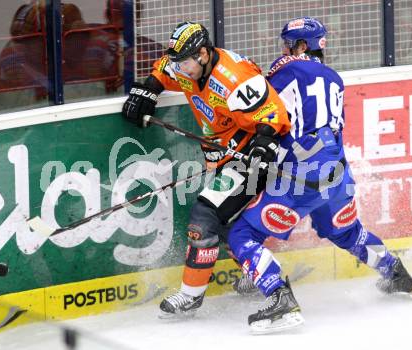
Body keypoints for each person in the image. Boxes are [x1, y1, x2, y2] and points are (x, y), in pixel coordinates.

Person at [227, 16, 412, 334]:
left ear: (301, 46)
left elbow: (265, 116)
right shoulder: (334, 79)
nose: (284, 50)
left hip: (300, 177)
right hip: (337, 175)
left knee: (242, 236)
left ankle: (279, 299)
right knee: (345, 232)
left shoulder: (284, 70)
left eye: (289, 44)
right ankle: (395, 272)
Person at [122, 21, 291, 318]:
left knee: (205, 215)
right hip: (226, 158)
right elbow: (165, 66)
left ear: (202, 53)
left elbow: (273, 115)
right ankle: (256, 274)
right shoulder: (185, 65)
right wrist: (150, 89)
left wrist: (262, 147)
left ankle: (191, 294)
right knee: (226, 226)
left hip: (250, 157)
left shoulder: (233, 78)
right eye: (178, 63)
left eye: (185, 62)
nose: (180, 69)